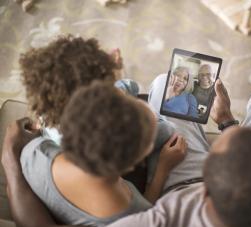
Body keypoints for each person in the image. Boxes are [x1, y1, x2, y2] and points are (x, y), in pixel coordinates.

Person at [3, 74, 251, 227]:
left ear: (204, 185)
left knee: (164, 83)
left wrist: (9, 158)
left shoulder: (151, 219)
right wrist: (228, 122)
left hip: (175, 185)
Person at [8, 82, 187, 227]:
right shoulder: (135, 213)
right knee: (165, 128)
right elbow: (149, 209)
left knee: (128, 90)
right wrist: (163, 168)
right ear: (136, 162)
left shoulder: (35, 152)